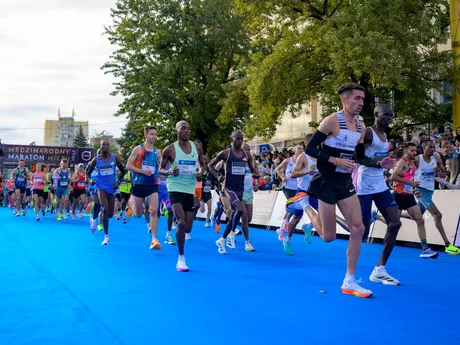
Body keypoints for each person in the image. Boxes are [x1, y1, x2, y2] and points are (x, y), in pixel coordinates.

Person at [305, 83, 394, 298]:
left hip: (345, 183)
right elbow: (310, 148)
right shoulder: (332, 121)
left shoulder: (362, 127)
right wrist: (335, 160)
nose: (360, 103)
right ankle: (305, 206)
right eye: (356, 98)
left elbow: (360, 157)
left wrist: (378, 163)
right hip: (326, 181)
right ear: (344, 100)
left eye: (362, 99)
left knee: (358, 229)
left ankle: (349, 281)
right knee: (328, 237)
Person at [355, 104, 401, 285]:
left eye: (391, 114)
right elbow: (358, 157)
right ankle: (338, 222)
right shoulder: (367, 133)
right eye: (386, 114)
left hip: (380, 185)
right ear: (376, 115)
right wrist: (378, 163)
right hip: (364, 185)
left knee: (395, 222)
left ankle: (379, 269)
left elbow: (379, 156)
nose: (390, 117)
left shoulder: (385, 135)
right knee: (363, 231)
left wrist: (388, 159)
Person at [159, 121, 206, 271]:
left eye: (188, 128)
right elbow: (160, 170)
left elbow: (203, 164)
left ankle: (179, 230)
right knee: (181, 223)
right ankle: (181, 258)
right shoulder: (170, 149)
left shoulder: (196, 147)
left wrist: (201, 173)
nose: (186, 131)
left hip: (189, 189)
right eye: (183, 128)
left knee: (188, 228)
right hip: (174, 188)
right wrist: (169, 172)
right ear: (177, 131)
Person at [209, 131, 258, 254]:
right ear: (232, 139)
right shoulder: (226, 153)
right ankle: (231, 234)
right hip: (229, 188)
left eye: (241, 139)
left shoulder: (246, 155)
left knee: (233, 217)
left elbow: (252, 169)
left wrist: (255, 174)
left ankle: (221, 240)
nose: (239, 141)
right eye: (237, 139)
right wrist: (217, 177)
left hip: (240, 189)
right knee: (240, 211)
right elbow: (210, 165)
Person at [391, 143, 438, 258]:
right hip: (398, 195)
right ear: (406, 151)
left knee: (420, 220)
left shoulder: (412, 164)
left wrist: (413, 190)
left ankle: (425, 249)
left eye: (415, 151)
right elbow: (393, 176)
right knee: (394, 223)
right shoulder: (402, 162)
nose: (414, 153)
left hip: (408, 196)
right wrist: (411, 183)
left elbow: (409, 178)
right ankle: (376, 217)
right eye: (412, 151)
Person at [414, 140, 460, 255]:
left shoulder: (436, 158)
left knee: (416, 215)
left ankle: (379, 217)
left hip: (430, 191)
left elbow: (444, 174)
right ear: (424, 148)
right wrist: (413, 190)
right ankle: (447, 244)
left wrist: (438, 172)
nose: (432, 149)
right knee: (437, 215)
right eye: (430, 147)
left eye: (434, 147)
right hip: (421, 190)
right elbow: (411, 173)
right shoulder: (418, 159)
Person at [126, 125, 162, 250]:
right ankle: (131, 204)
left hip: (153, 184)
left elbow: (160, 167)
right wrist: (142, 171)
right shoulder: (138, 149)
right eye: (152, 134)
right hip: (139, 183)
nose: (154, 137)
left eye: (156, 134)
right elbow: (128, 166)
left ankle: (154, 239)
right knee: (138, 213)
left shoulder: (158, 152)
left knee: (153, 210)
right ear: (146, 135)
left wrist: (164, 174)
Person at [86, 140, 127, 245]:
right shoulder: (96, 160)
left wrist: (118, 182)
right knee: (104, 208)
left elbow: (123, 171)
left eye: (106, 145)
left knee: (109, 214)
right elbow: (87, 173)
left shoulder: (115, 158)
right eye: (102, 145)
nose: (104, 146)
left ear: (109, 147)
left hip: (112, 187)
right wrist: (91, 180)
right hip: (100, 186)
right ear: (100, 147)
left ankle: (100, 215)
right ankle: (106, 237)